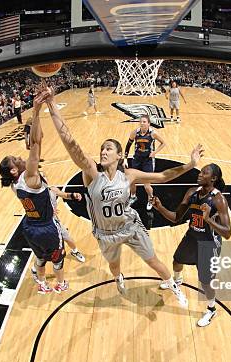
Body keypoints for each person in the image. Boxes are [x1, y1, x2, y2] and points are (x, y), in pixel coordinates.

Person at [42, 84, 201, 307]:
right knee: (114, 265)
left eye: (108, 149)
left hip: (130, 227)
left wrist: (190, 164)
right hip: (106, 233)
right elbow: (71, 144)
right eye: (102, 149)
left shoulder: (129, 175)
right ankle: (118, 277)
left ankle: (174, 285)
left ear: (119, 155)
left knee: (153, 260)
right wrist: (51, 105)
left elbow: (164, 175)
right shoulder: (92, 174)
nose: (103, 151)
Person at [0, 88, 68, 294]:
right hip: (46, 226)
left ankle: (42, 285)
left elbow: (38, 139)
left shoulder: (13, 183)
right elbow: (37, 143)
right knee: (57, 256)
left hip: (29, 226)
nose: (20, 158)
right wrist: (36, 111)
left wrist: (35, 120)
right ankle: (61, 284)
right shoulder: (29, 177)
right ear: (13, 170)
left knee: (39, 257)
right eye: (16, 160)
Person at [152, 163, 231, 327]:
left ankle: (211, 309)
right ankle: (177, 280)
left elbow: (227, 232)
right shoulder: (192, 192)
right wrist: (160, 208)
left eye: (205, 173)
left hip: (209, 243)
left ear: (214, 179)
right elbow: (176, 218)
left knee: (205, 282)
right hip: (192, 236)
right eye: (201, 172)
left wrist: (208, 220)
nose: (200, 174)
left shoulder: (219, 200)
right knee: (176, 261)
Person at [124, 115, 167, 210]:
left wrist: (155, 152)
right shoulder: (135, 132)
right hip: (137, 159)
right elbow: (128, 145)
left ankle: (151, 199)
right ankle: (133, 196)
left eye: (144, 122)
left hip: (148, 161)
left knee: (147, 185)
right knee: (132, 181)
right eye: (141, 122)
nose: (142, 123)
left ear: (148, 123)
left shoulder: (153, 133)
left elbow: (163, 143)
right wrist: (125, 158)